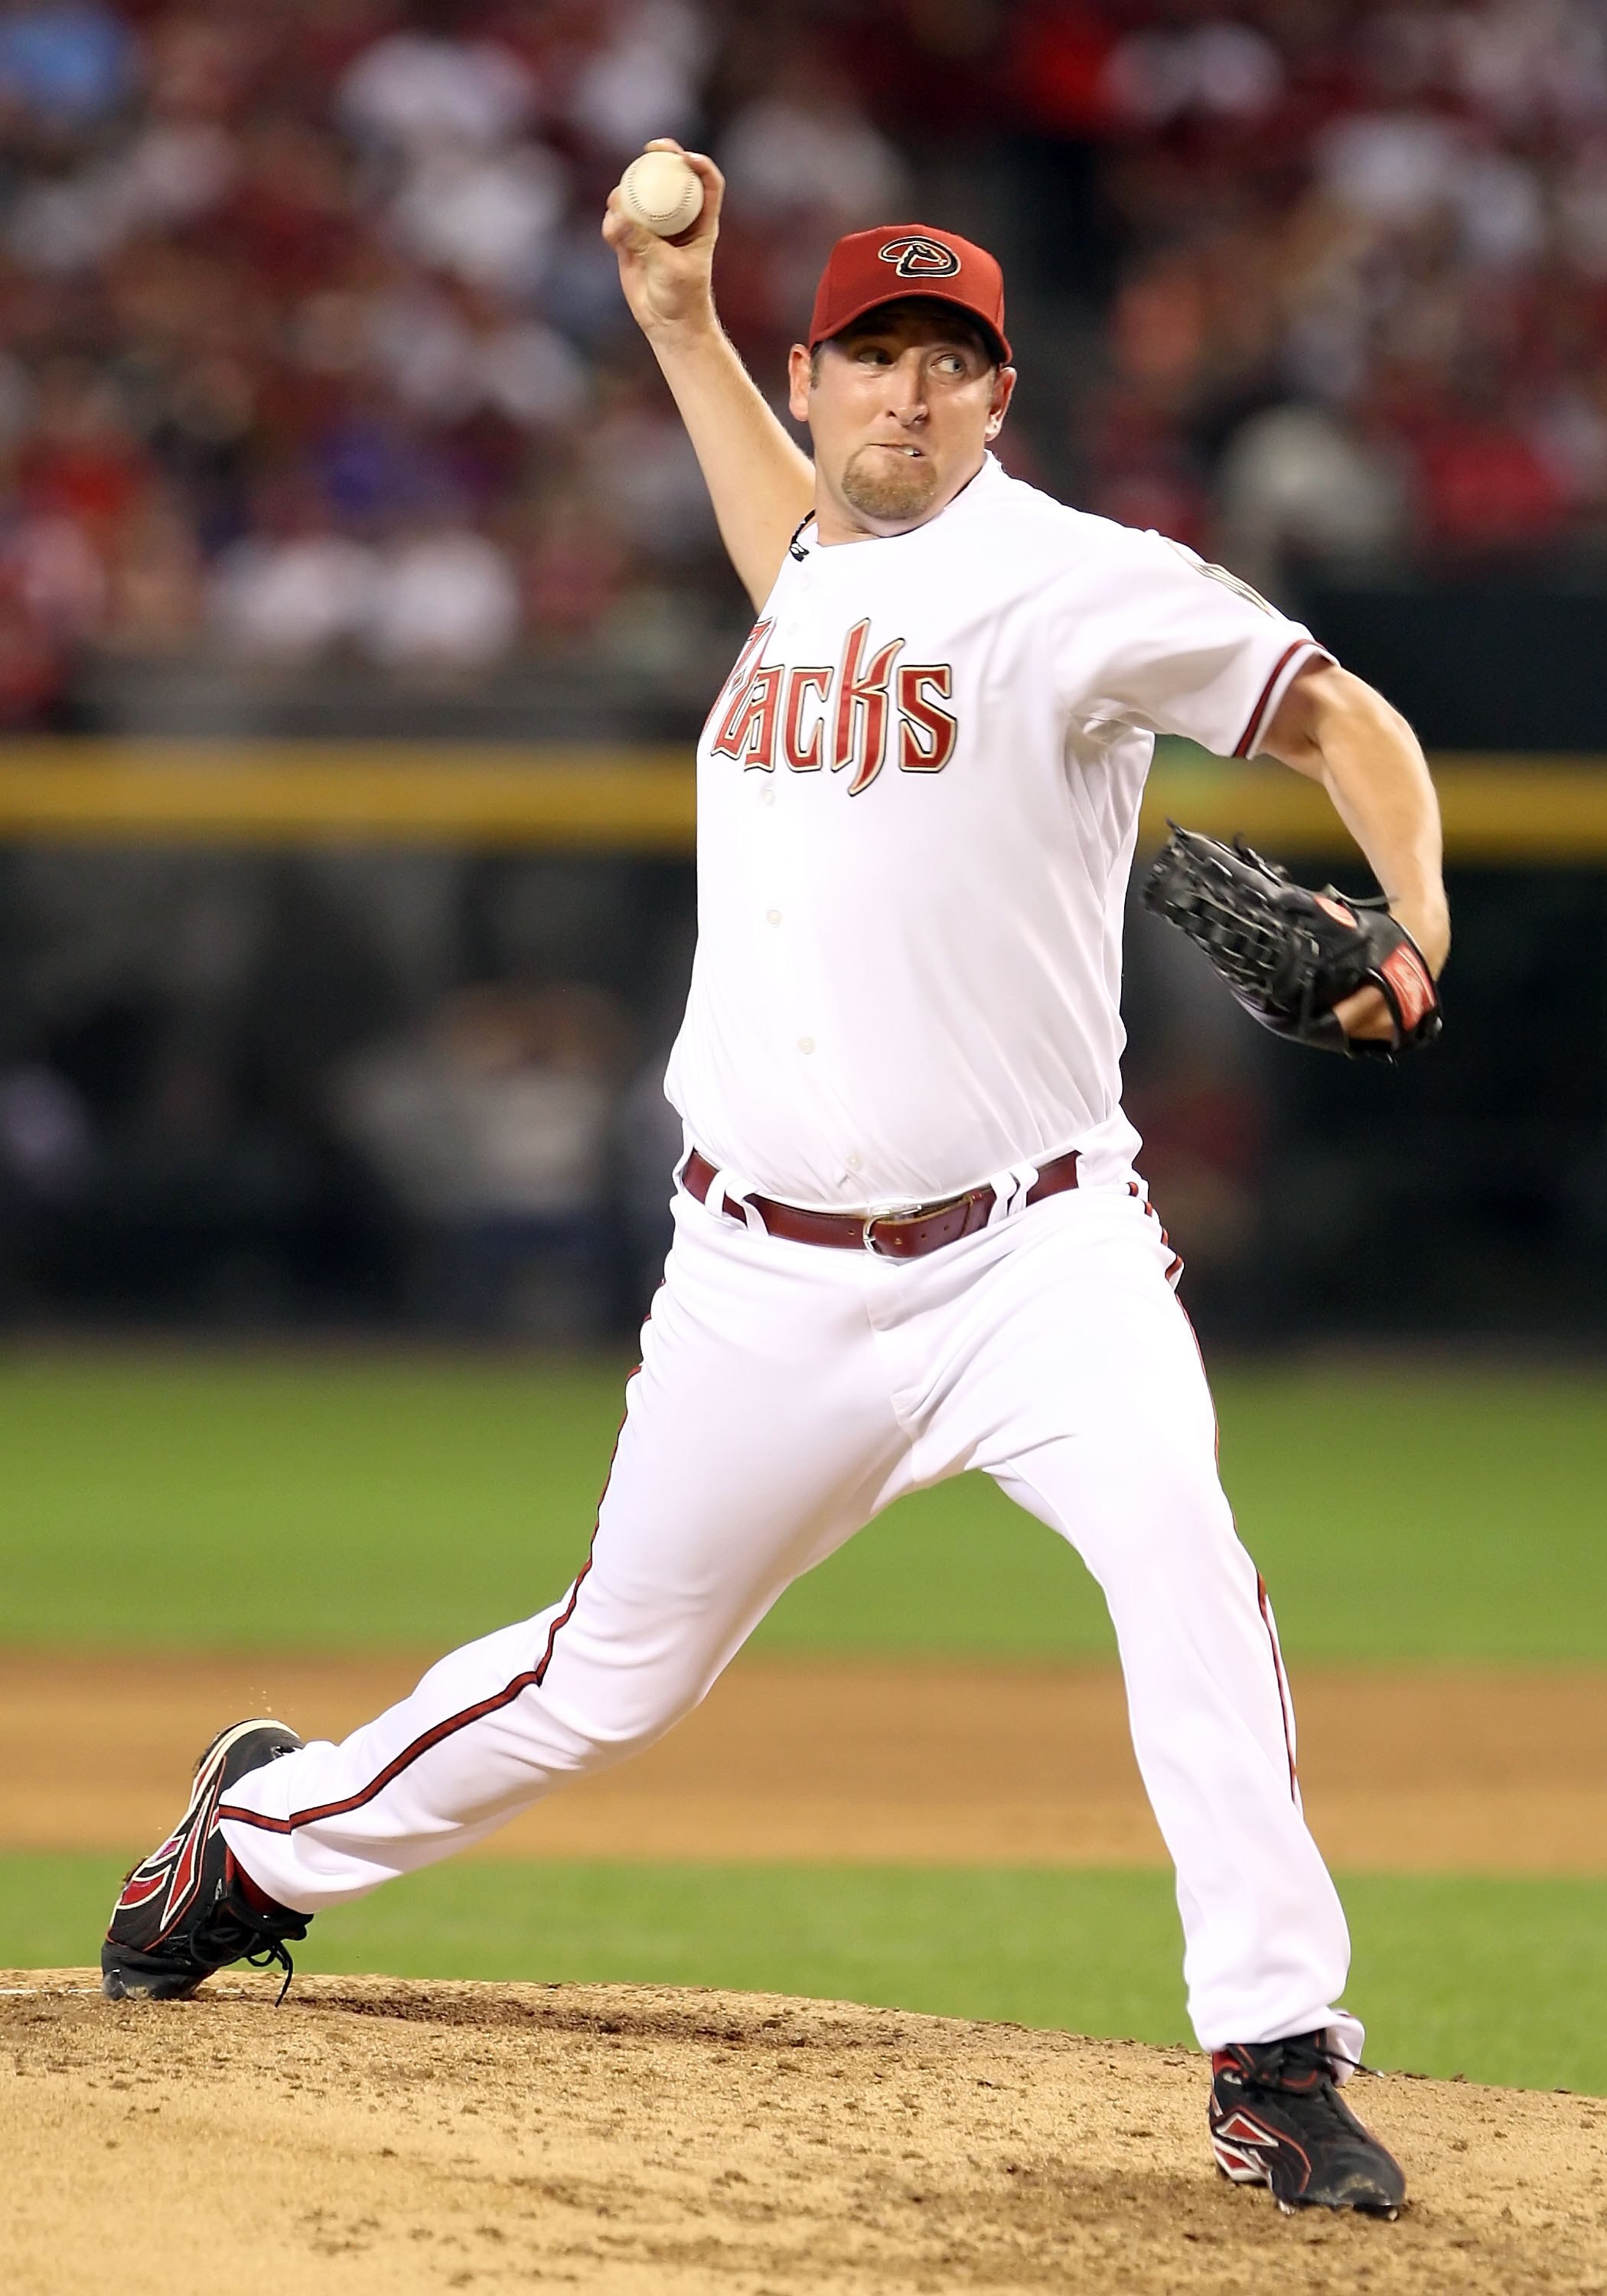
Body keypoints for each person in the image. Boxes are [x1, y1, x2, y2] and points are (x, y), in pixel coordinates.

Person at [102, 145, 1449, 2221]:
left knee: (1186, 1564)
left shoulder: (1086, 583)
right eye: (875, 361)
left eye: (951, 365)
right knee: (604, 1680)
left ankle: (1274, 2057)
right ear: (815, 379)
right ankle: (250, 1846)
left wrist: (1416, 919)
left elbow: (1338, 716)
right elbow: (786, 533)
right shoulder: (812, 558)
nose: (909, 397)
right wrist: (669, 316)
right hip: (761, 1283)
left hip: (1038, 1259)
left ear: (999, 399)